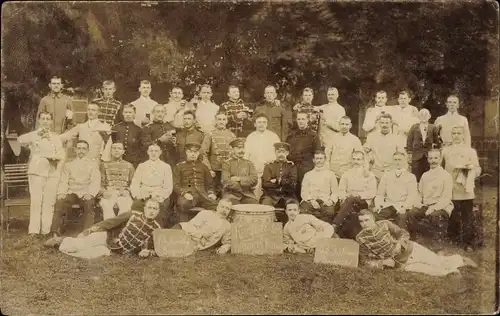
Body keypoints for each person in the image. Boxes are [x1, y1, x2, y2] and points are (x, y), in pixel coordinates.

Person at [356, 209, 477, 276]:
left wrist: (399, 243)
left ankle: (460, 259)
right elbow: (364, 261)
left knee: (438, 262)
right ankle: (453, 272)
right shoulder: (361, 238)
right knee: (433, 271)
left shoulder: (384, 224)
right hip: (402, 264)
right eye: (361, 222)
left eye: (367, 220)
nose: (364, 224)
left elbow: (403, 233)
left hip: (412, 249)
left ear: (373, 219)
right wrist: (382, 262)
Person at [45, 198, 162, 259]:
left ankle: (64, 244)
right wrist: (88, 231)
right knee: (79, 245)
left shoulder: (156, 228)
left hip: (113, 251)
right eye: (150, 207)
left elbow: (155, 249)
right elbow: (108, 223)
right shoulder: (132, 214)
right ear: (145, 208)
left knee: (86, 255)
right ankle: (59, 240)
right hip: (105, 237)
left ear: (158, 211)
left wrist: (146, 252)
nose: (152, 211)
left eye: (155, 209)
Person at [17, 111, 65, 236]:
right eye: (43, 118)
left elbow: (61, 153)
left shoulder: (55, 136)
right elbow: (20, 140)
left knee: (49, 201)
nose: (45, 121)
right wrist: (37, 134)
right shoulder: (34, 135)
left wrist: (56, 158)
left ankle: (46, 230)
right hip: (37, 171)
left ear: (51, 121)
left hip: (52, 171)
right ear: (39, 120)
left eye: (48, 119)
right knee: (36, 201)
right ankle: (34, 230)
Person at [49, 140, 101, 238]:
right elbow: (64, 181)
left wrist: (90, 193)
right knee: (60, 202)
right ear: (75, 150)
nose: (81, 151)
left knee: (89, 204)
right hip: (72, 192)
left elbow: (95, 181)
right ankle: (55, 231)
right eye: (79, 148)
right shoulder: (69, 164)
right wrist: (61, 193)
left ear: (87, 150)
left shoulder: (93, 165)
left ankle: (86, 232)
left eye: (84, 148)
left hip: (86, 192)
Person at [442, 126, 481, 250]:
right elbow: (441, 168)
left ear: (463, 135)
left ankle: (468, 242)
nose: (456, 136)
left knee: (467, 215)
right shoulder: (445, 151)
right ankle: (452, 238)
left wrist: (471, 170)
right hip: (451, 188)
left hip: (465, 189)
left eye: (459, 133)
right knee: (452, 213)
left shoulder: (470, 151)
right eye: (454, 133)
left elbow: (478, 169)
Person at [406, 148, 453, 241]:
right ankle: (413, 241)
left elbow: (446, 198)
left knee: (435, 215)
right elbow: (420, 193)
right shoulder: (425, 175)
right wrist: (418, 202)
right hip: (426, 205)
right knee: (412, 213)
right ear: (428, 160)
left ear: (440, 159)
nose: (433, 161)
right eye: (431, 158)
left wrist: (433, 208)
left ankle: (437, 245)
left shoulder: (446, 176)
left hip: (441, 206)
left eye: (436, 158)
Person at [335, 150, 377, 239]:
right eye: (354, 159)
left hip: (364, 202)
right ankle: (354, 238)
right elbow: (341, 190)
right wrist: (344, 197)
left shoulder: (369, 175)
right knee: (351, 211)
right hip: (349, 202)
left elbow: (372, 192)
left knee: (351, 200)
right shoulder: (346, 174)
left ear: (363, 161)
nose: (356, 162)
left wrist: (358, 195)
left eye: (358, 159)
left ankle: (335, 225)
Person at [130, 143, 173, 227]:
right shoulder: (142, 166)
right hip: (143, 193)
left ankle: (156, 231)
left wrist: (160, 195)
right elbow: (135, 183)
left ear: (160, 152)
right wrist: (138, 195)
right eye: (151, 151)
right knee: (136, 205)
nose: (153, 153)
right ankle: (137, 230)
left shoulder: (166, 167)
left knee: (160, 208)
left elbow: (168, 186)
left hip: (159, 193)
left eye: (156, 151)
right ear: (147, 152)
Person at [374, 151, 419, 230]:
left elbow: (412, 196)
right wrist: (379, 205)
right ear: (392, 161)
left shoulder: (410, 177)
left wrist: (404, 207)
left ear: (404, 161)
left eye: (400, 160)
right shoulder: (387, 175)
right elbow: (380, 194)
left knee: (402, 218)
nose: (397, 162)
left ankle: (402, 239)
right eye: (395, 160)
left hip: (403, 205)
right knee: (376, 217)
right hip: (389, 205)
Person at [173, 142, 217, 222]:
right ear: (186, 152)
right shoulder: (179, 166)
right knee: (182, 204)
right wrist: (184, 193)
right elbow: (175, 184)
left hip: (203, 194)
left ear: (198, 153)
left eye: (195, 152)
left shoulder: (203, 167)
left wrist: (211, 193)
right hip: (187, 194)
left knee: (215, 205)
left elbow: (210, 183)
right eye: (190, 152)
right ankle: (183, 226)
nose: (193, 154)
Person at [244, 113, 281, 200]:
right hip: (256, 171)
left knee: (269, 195)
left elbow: (278, 154)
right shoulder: (250, 137)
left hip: (270, 171)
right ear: (255, 124)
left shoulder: (273, 136)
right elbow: (246, 155)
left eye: (264, 122)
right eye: (259, 122)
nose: (262, 124)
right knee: (256, 195)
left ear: (267, 124)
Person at [286, 111, 322, 199]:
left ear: (308, 120)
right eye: (299, 119)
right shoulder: (291, 136)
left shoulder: (314, 136)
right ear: (296, 120)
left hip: (307, 168)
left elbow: (317, 154)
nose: (301, 121)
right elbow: (287, 153)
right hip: (293, 168)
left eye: (303, 119)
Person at [261, 142, 298, 222]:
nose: (281, 154)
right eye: (279, 152)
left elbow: (293, 185)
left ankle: (291, 228)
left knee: (293, 206)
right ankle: (267, 228)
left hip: (287, 195)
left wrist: (277, 180)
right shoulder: (269, 166)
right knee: (265, 205)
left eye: (283, 152)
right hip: (271, 195)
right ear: (275, 152)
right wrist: (284, 184)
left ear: (287, 153)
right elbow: (266, 184)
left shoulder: (291, 166)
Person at [200, 111, 237, 194]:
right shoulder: (210, 134)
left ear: (226, 121)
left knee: (227, 195)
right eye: (219, 119)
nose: (221, 121)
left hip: (228, 171)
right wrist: (209, 169)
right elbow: (203, 153)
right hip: (214, 171)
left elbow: (235, 154)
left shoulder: (232, 135)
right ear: (215, 121)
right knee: (213, 194)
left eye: (224, 119)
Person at [363, 113, 406, 181]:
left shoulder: (397, 138)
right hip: (375, 172)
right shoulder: (372, 137)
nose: (384, 125)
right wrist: (366, 168)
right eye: (382, 122)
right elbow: (364, 153)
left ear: (391, 123)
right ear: (379, 123)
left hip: (391, 172)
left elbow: (402, 156)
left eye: (387, 123)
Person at [98, 142, 135, 220]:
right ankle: (110, 231)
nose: (116, 150)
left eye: (119, 148)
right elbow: (100, 183)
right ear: (110, 151)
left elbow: (134, 184)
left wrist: (127, 191)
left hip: (124, 193)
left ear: (123, 151)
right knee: (107, 206)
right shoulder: (103, 165)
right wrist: (103, 192)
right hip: (109, 193)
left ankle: (121, 230)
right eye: (114, 148)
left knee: (125, 207)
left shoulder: (129, 166)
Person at [300, 150, 338, 223]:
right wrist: (311, 200)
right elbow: (304, 192)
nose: (319, 161)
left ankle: (323, 232)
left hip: (325, 200)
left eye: (321, 158)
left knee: (329, 213)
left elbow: (335, 192)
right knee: (304, 212)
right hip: (311, 200)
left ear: (325, 159)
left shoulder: (331, 174)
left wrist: (331, 201)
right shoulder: (308, 175)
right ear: (313, 160)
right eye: (317, 159)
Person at [221, 138, 258, 204]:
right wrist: (244, 186)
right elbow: (226, 181)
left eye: (243, 148)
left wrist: (239, 179)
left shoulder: (249, 163)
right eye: (239, 148)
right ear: (232, 149)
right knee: (231, 207)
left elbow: (254, 180)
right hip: (231, 194)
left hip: (248, 195)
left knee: (254, 207)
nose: (241, 150)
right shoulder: (226, 163)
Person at [406, 108, 441, 182]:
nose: (424, 117)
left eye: (426, 115)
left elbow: (436, 141)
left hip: (428, 155)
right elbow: (409, 140)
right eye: (421, 115)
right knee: (416, 175)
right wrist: (409, 152)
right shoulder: (414, 127)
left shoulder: (433, 127)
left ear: (429, 116)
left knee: (428, 175)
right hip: (416, 155)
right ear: (418, 117)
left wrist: (436, 151)